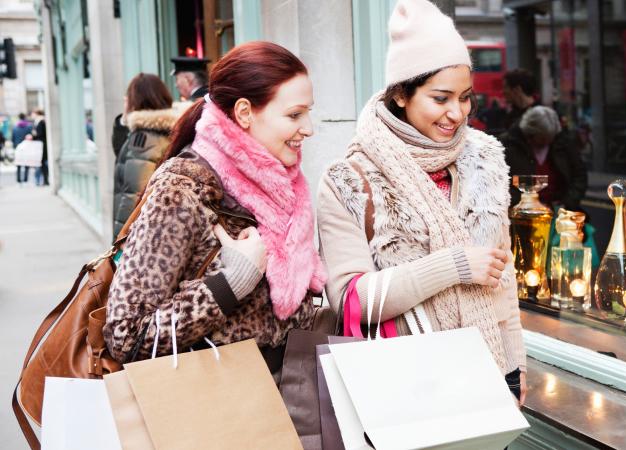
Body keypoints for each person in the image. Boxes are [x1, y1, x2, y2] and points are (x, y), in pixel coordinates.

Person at [317, 0, 527, 405]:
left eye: (466, 98)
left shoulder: (483, 161)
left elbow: (504, 284)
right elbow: (350, 301)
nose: (457, 114)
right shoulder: (349, 179)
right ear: (400, 95)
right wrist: (453, 265)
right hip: (404, 388)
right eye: (440, 98)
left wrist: (513, 371)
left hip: (484, 376)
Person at [104, 42, 326, 375]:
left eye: (308, 111)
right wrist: (229, 284)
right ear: (244, 113)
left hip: (287, 399)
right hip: (217, 409)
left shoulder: (281, 184)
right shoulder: (182, 189)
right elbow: (126, 334)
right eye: (295, 114)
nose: (308, 127)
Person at [112, 73, 181, 238]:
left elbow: (133, 196)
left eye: (128, 97)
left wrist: (118, 243)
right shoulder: (167, 132)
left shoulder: (143, 139)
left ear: (135, 100)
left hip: (140, 237)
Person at [499, 105, 588, 210]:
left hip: (559, 211)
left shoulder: (563, 144)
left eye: (550, 137)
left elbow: (579, 175)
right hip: (523, 214)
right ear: (530, 133)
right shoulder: (508, 146)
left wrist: (568, 202)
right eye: (542, 138)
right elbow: (502, 183)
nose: (547, 142)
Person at [12, 114, 33, 185]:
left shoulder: (15, 127)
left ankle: (18, 180)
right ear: (25, 117)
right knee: (27, 164)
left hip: (18, 148)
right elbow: (31, 137)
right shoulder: (29, 127)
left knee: (18, 164)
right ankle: (25, 180)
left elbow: (13, 138)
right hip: (27, 147)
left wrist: (14, 146)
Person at [31, 110, 48, 186]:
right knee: (42, 163)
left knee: (42, 163)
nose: (32, 115)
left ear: (37, 113)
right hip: (40, 145)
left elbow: (41, 134)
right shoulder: (38, 121)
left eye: (33, 113)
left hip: (42, 146)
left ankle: (44, 180)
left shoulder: (41, 122)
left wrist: (33, 136)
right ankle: (43, 180)